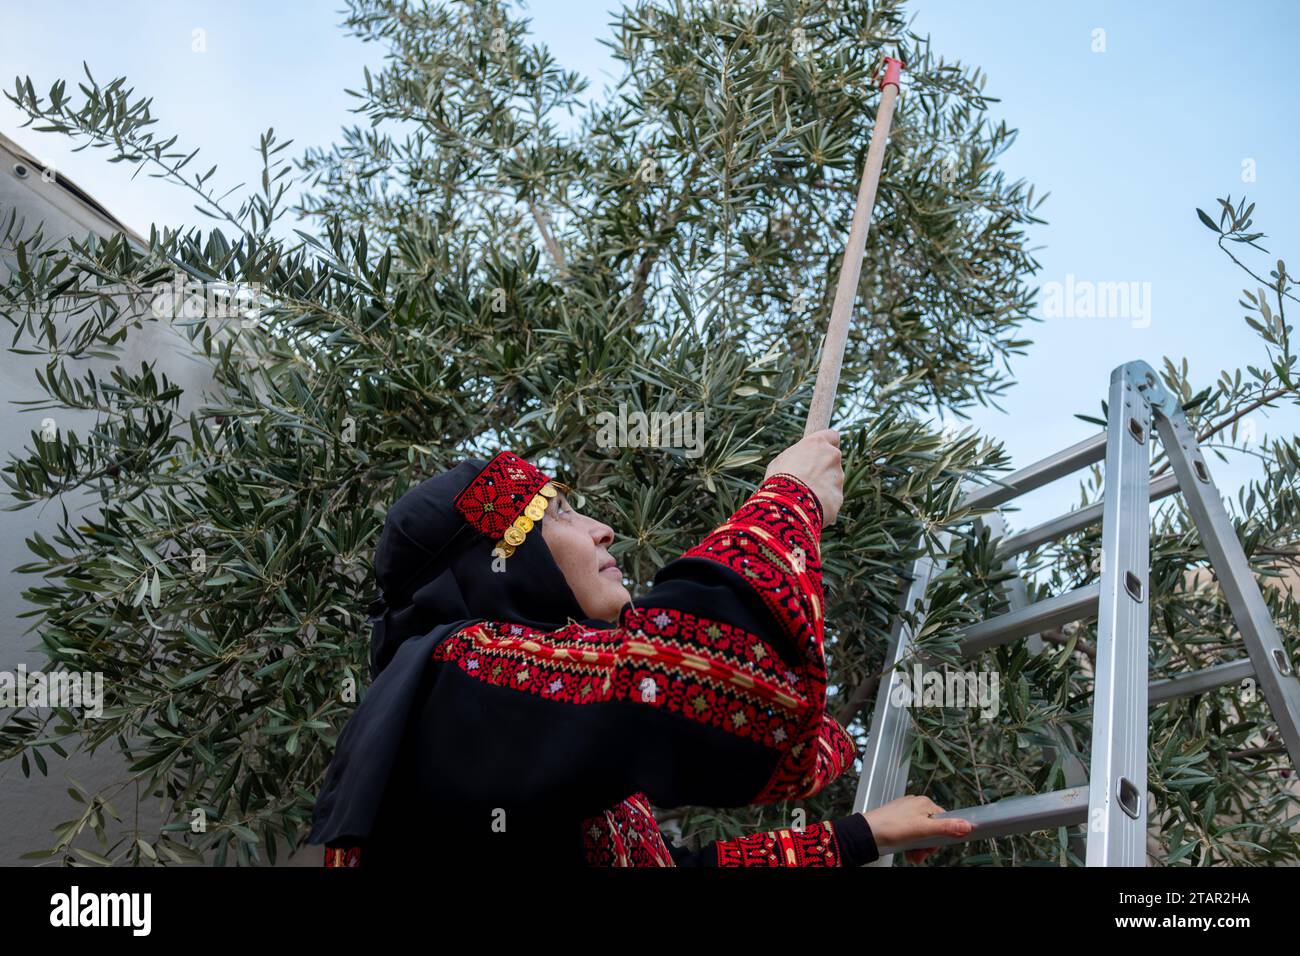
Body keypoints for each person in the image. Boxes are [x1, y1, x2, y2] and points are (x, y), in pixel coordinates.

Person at [309, 430, 972, 866]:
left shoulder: (539, 721)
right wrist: (787, 500)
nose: (602, 530)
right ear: (497, 559)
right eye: (558, 513)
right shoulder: (459, 675)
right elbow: (721, 677)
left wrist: (861, 835)